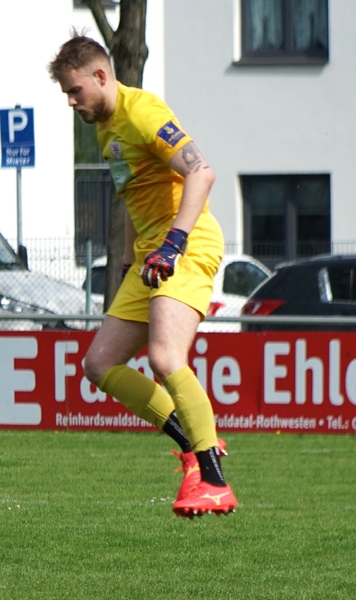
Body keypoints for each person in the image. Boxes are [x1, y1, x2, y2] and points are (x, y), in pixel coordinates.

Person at [49, 35, 235, 518]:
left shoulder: (142, 111)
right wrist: (131, 267)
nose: (70, 102)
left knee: (164, 357)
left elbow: (202, 173)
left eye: (74, 91)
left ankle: (215, 482)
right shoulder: (105, 128)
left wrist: (173, 243)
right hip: (150, 257)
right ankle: (193, 448)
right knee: (99, 364)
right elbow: (132, 195)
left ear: (100, 76)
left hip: (184, 244)